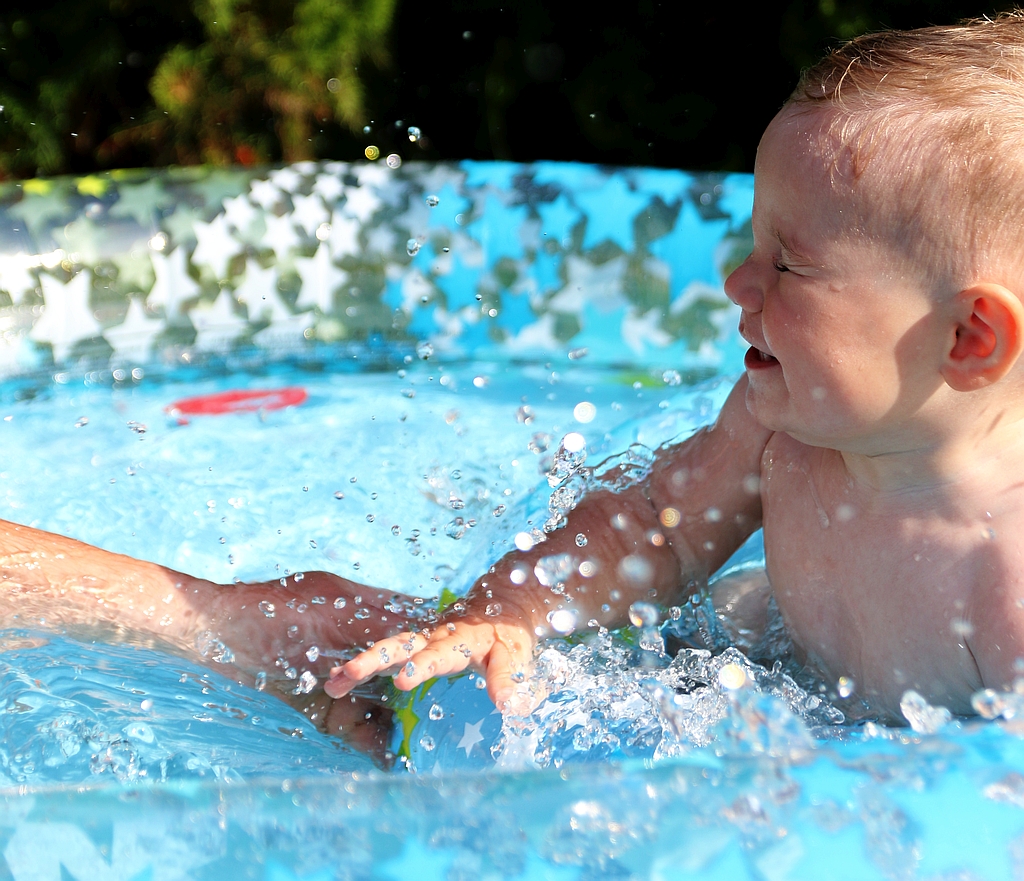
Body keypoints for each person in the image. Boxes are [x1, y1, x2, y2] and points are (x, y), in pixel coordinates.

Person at [325, 14, 1024, 721]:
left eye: (787, 264)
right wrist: (510, 610)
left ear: (968, 336)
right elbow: (652, 529)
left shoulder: (1006, 575)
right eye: (753, 246)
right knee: (374, 634)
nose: (738, 284)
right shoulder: (782, 429)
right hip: (754, 668)